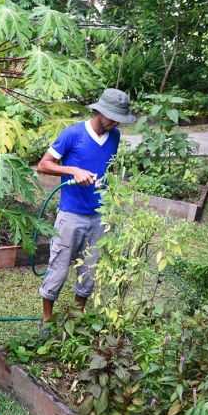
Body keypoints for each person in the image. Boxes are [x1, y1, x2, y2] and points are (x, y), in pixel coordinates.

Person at [36, 88, 136, 323]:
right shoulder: (73, 134)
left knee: (90, 270)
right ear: (99, 111)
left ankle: (78, 317)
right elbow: (43, 165)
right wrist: (72, 169)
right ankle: (47, 320)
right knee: (58, 269)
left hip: (99, 217)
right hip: (71, 215)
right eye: (112, 117)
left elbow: (107, 168)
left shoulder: (115, 137)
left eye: (119, 119)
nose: (115, 123)